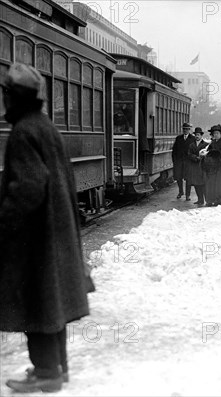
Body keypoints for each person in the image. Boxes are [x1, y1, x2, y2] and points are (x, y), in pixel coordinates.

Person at [0, 63, 94, 393]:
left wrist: (5, 223)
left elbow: (29, 185)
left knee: (35, 302)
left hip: (35, 236)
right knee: (52, 302)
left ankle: (45, 373)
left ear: (12, 97)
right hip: (56, 232)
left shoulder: (23, 132)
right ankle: (59, 368)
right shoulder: (46, 126)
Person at [172, 122, 195, 200]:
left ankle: (187, 195)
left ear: (189, 130)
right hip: (179, 161)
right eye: (184, 129)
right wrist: (174, 160)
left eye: (187, 129)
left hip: (188, 162)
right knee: (179, 177)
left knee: (188, 179)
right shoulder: (178, 138)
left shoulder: (193, 139)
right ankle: (180, 191)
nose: (185, 131)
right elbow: (174, 150)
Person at [187, 127, 209, 205]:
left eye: (198, 135)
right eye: (196, 135)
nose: (197, 136)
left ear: (201, 135)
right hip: (194, 166)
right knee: (196, 184)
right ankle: (200, 200)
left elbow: (208, 153)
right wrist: (196, 157)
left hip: (202, 166)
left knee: (203, 184)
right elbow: (189, 154)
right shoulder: (191, 145)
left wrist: (202, 157)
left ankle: (207, 200)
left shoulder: (206, 144)